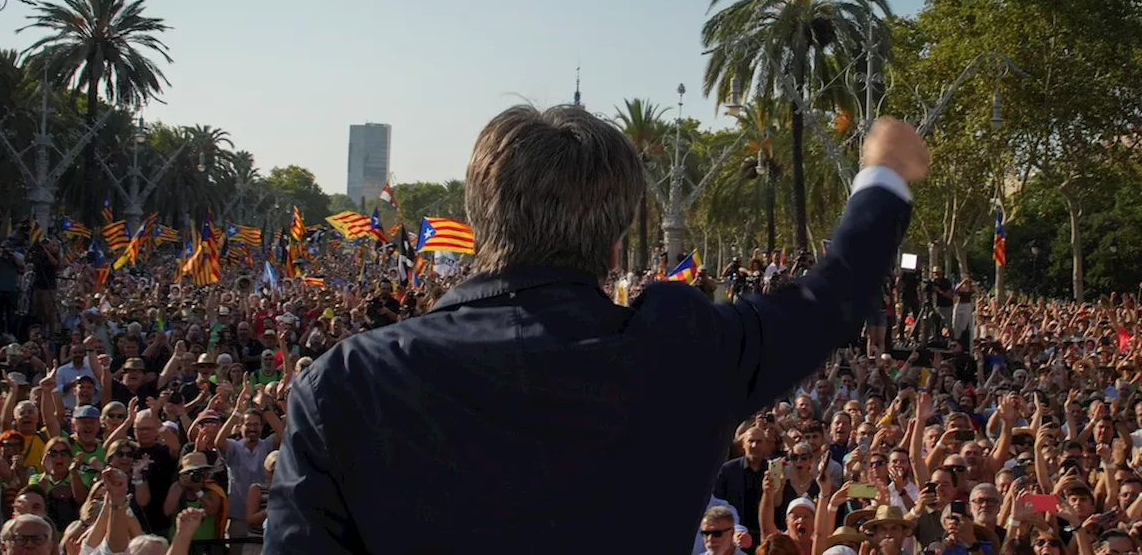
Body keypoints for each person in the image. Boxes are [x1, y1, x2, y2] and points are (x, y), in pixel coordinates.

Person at [266, 108, 927, 552]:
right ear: (614, 248)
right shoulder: (680, 351)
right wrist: (884, 174)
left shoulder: (343, 384)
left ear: (477, 220)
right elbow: (830, 297)